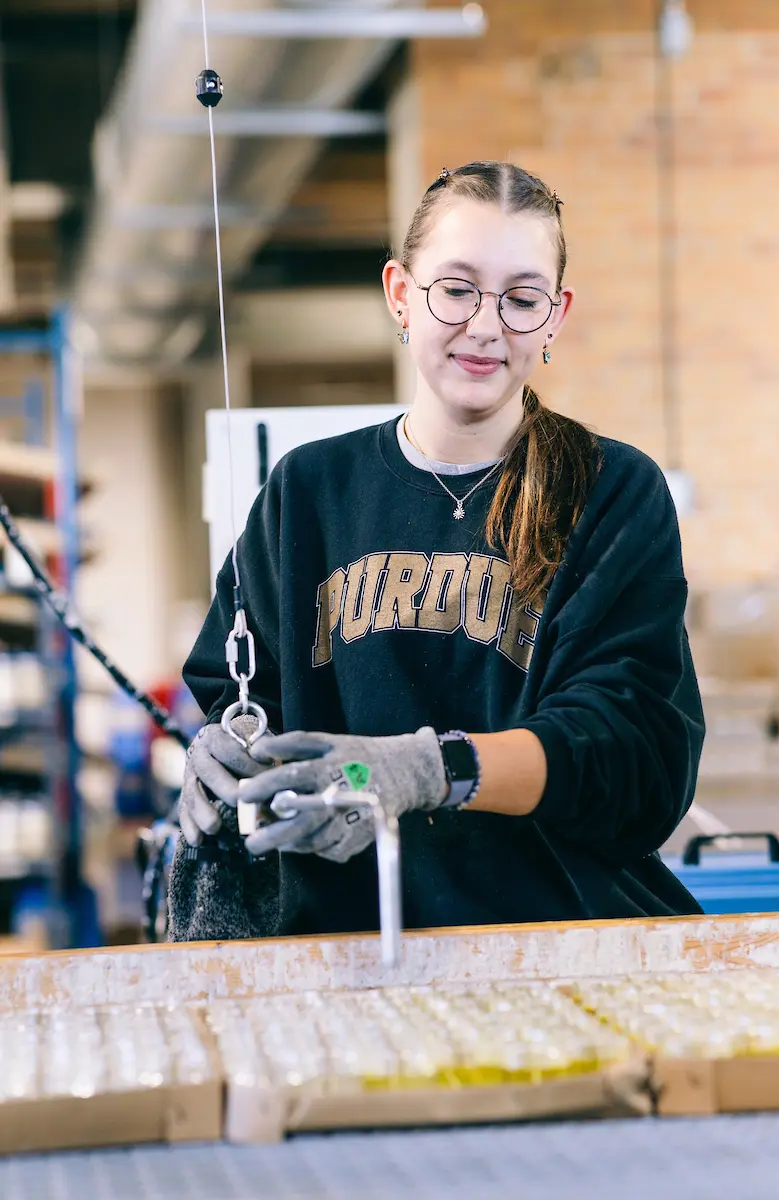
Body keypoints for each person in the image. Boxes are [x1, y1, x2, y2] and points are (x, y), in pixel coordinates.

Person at [167, 160, 705, 944]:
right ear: (400, 293)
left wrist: (432, 772)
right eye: (456, 290)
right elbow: (246, 699)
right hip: (344, 958)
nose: (486, 325)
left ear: (555, 317)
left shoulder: (609, 491)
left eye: (521, 299)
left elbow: (632, 754)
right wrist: (226, 757)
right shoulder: (307, 492)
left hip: (559, 950)